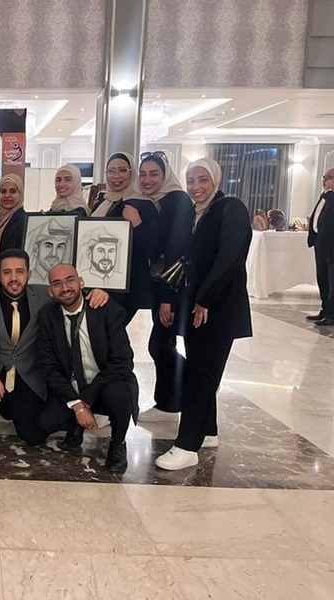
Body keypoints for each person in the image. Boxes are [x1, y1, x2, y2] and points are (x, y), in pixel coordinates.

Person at [155, 158, 253, 471]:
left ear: (216, 181)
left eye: (203, 180)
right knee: (201, 369)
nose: (196, 187)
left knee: (201, 376)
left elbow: (230, 257)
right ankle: (208, 430)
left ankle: (187, 446)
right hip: (196, 306)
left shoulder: (230, 208)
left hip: (217, 308)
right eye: (191, 180)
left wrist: (206, 299)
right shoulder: (199, 212)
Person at [0, 250, 110, 444]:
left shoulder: (44, 295)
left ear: (29, 274)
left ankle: (9, 407)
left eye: (20, 272)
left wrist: (96, 292)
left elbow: (69, 293)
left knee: (34, 437)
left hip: (29, 373)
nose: (13, 278)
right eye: (6, 272)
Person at [38, 264, 138, 472]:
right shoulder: (47, 315)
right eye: (57, 284)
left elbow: (124, 361)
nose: (65, 288)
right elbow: (49, 367)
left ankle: (118, 444)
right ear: (50, 291)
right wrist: (77, 405)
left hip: (105, 382)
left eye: (70, 280)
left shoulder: (107, 310)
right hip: (72, 385)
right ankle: (76, 425)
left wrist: (87, 400)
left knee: (120, 395)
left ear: (81, 282)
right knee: (46, 422)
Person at [138, 152, 195, 422]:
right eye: (144, 174)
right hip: (161, 287)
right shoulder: (158, 202)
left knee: (159, 345)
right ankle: (171, 401)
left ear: (165, 175)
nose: (147, 179)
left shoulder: (177, 201)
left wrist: (167, 299)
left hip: (171, 289)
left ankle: (186, 391)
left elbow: (172, 252)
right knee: (162, 343)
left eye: (154, 174)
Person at [92, 152, 160, 323]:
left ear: (132, 173)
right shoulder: (102, 202)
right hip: (97, 279)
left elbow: (153, 250)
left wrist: (137, 223)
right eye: (111, 171)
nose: (116, 176)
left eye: (122, 170)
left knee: (112, 334)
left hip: (126, 286)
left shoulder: (143, 204)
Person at [307, 168, 334, 326]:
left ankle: (331, 314)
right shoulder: (326, 196)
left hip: (332, 246)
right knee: (322, 279)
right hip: (320, 244)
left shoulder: (331, 197)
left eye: (330, 177)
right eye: (324, 177)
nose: (325, 180)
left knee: (332, 282)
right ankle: (325, 309)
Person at [0, 173, 27, 279]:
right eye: (3, 191)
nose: (7, 196)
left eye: (13, 191)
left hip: (12, 280)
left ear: (21, 194)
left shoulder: (23, 221)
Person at [27, 217, 74, 285]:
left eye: (60, 247)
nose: (54, 253)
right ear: (36, 249)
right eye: (48, 246)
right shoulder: (27, 280)